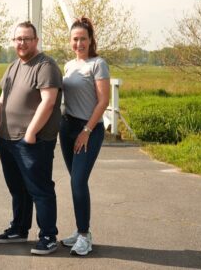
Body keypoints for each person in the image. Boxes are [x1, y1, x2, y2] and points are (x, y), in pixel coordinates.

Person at [0, 20, 63, 255]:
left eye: (26, 39)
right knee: (18, 188)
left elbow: (49, 101)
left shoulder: (45, 65)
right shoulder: (14, 65)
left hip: (32, 141)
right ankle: (19, 229)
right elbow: (3, 97)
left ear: (36, 40)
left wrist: (31, 132)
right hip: (7, 138)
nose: (21, 43)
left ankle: (48, 236)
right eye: (18, 39)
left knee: (39, 189)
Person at [59, 17, 110, 256]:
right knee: (75, 181)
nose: (79, 43)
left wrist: (86, 131)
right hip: (67, 128)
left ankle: (84, 234)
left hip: (88, 130)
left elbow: (103, 101)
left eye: (83, 39)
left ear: (91, 41)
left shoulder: (98, 64)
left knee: (78, 181)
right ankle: (80, 230)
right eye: (75, 39)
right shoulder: (69, 66)